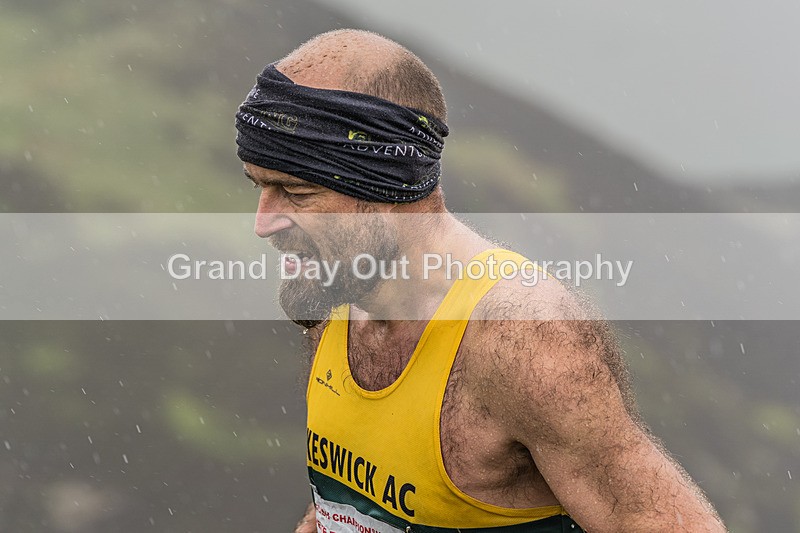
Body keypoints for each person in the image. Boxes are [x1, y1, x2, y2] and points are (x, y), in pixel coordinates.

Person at [235, 29, 726, 533]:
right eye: (259, 185)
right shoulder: (341, 292)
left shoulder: (522, 336)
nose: (262, 222)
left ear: (386, 184)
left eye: (294, 191)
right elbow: (362, 499)